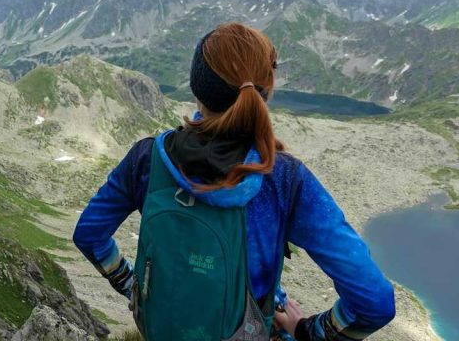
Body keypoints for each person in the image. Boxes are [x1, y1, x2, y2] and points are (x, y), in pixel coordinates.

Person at [72, 22, 396, 340]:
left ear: (197, 88)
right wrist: (306, 330)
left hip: (160, 326)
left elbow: (89, 235)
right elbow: (374, 303)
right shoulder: (283, 178)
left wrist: (133, 288)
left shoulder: (147, 159)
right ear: (264, 93)